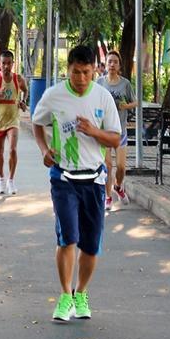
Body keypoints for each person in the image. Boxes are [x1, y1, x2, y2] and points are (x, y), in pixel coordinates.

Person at [32, 45, 121, 322]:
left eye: (86, 72)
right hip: (63, 177)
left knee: (90, 245)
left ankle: (80, 292)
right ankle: (64, 296)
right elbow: (38, 122)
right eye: (75, 72)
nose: (81, 78)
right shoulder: (54, 95)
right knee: (67, 236)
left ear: (95, 70)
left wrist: (94, 131)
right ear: (67, 70)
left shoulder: (103, 97)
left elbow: (116, 139)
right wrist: (45, 150)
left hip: (94, 179)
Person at [96, 50, 136, 211]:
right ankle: (108, 197)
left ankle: (118, 186)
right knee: (107, 165)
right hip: (104, 130)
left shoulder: (125, 84)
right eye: (109, 61)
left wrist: (125, 106)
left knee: (121, 167)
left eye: (115, 62)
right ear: (106, 65)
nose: (112, 64)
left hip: (120, 130)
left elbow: (135, 103)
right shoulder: (99, 83)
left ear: (119, 66)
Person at [0, 49, 28, 194]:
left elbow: (25, 90)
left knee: (13, 149)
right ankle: (1, 179)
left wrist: (23, 101)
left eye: (9, 63)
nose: (6, 66)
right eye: (3, 63)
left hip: (13, 120)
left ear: (13, 64)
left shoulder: (18, 79)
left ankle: (11, 180)